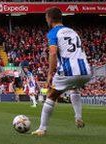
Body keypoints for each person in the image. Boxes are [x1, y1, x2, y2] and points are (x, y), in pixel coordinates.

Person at [33, 7, 91, 137]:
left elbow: (53, 53)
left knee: (51, 96)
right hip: (85, 70)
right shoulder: (73, 31)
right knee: (74, 88)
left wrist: (49, 74)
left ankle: (42, 129)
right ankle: (78, 116)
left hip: (67, 71)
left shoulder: (53, 32)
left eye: (46, 18)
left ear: (49, 18)